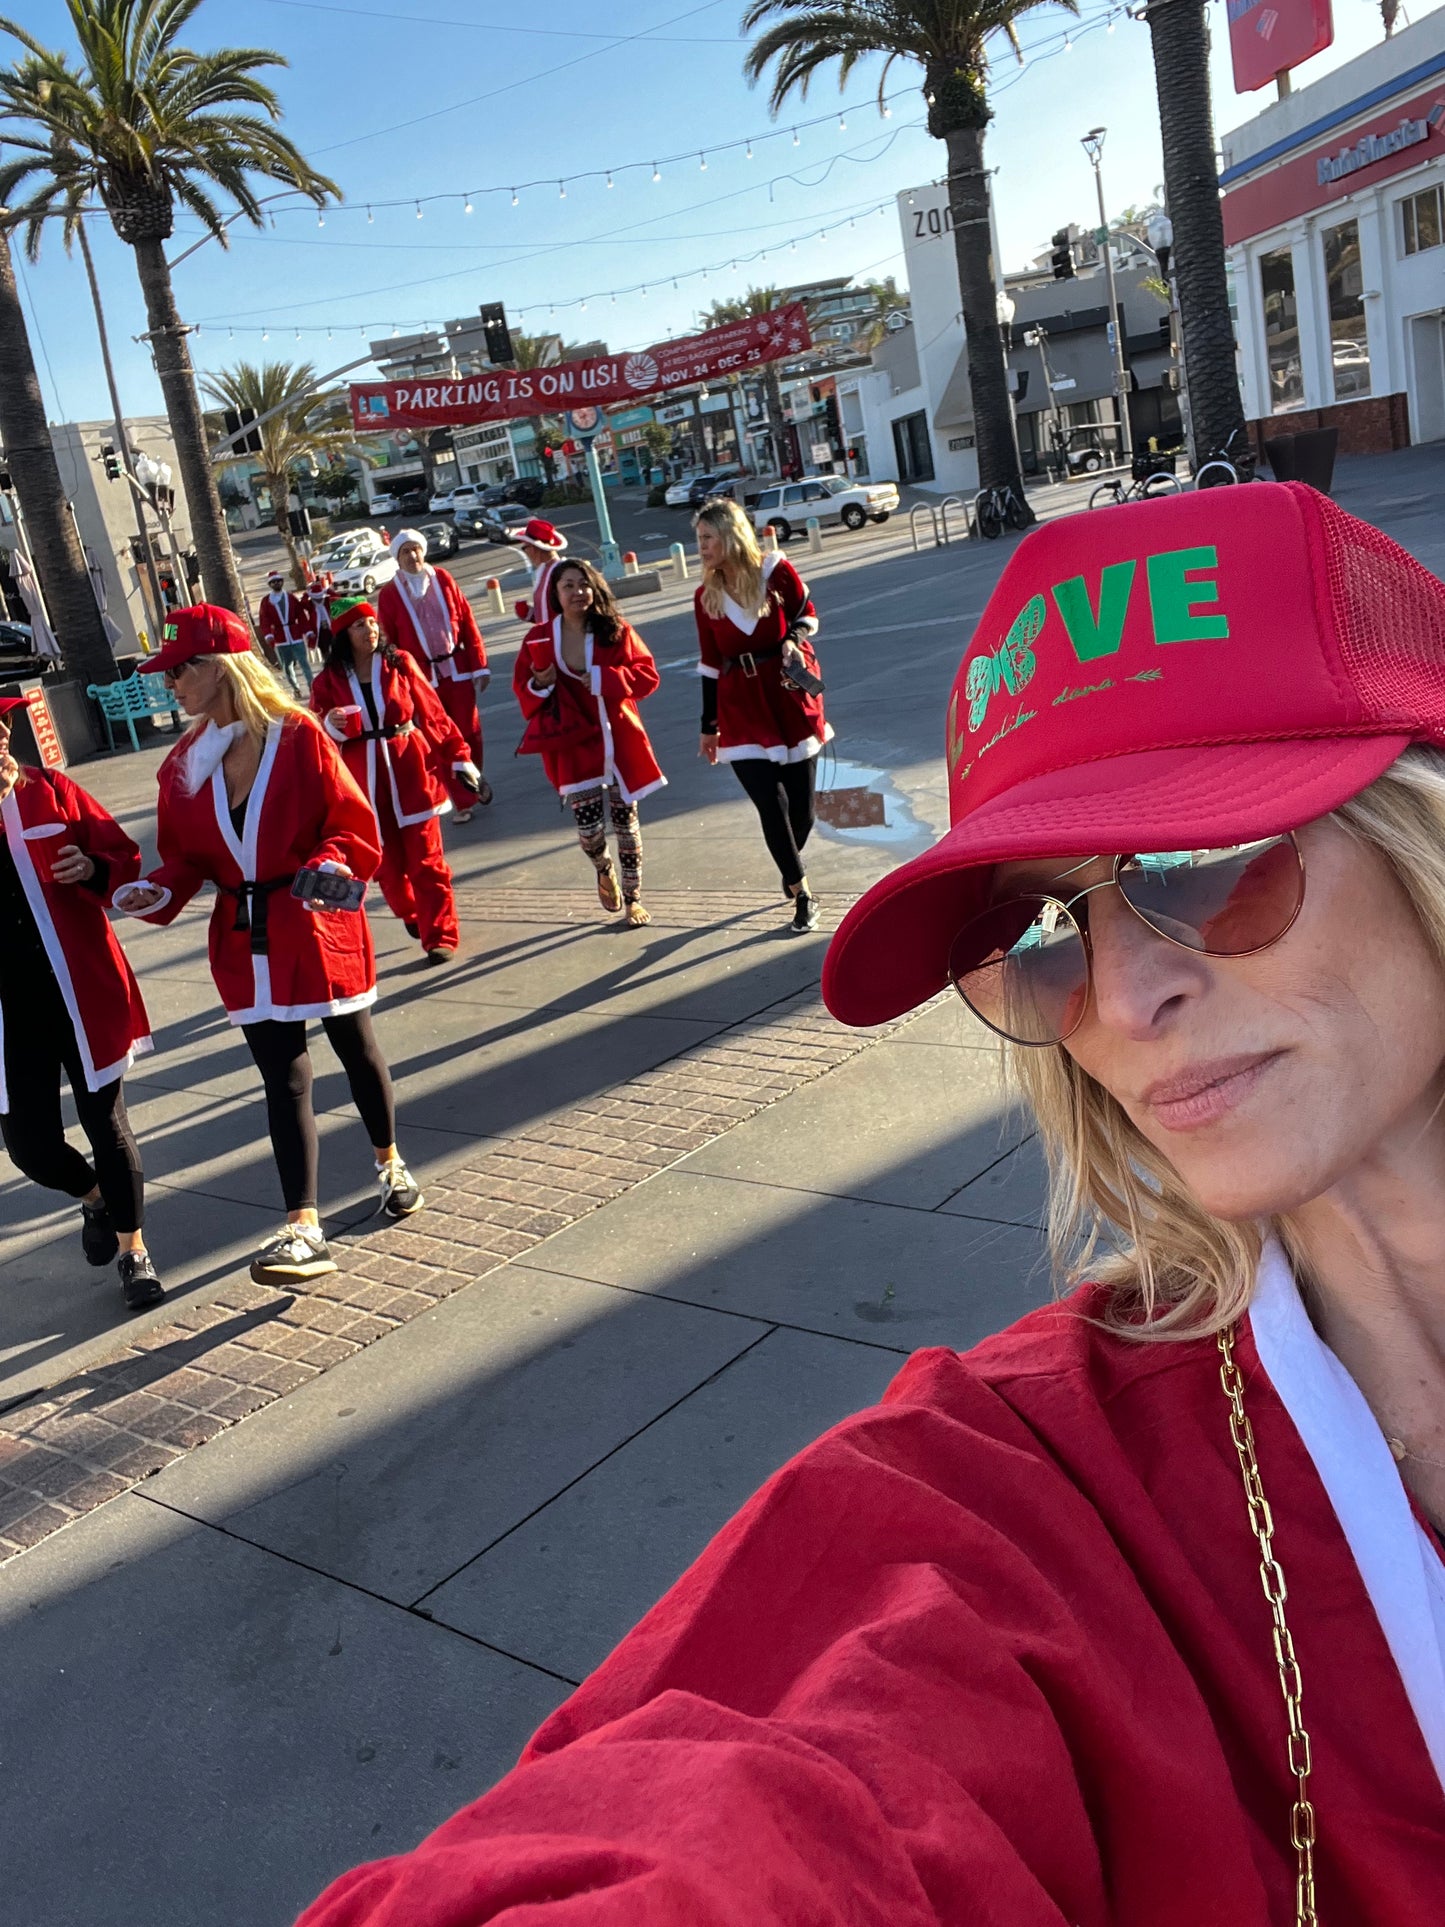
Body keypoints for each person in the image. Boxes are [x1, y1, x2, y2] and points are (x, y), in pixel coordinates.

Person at [299, 485, 1445, 1923]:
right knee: (787, 818)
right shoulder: (1028, 1476)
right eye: (1041, 925)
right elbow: (762, 1797)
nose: (1122, 997)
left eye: (1195, 864)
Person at [114, 605, 426, 1286]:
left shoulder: (300, 736)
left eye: (179, 670)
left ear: (220, 668)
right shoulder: (183, 765)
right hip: (243, 939)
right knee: (284, 1078)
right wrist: (151, 891)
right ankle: (303, 1227)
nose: (170, 685)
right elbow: (184, 860)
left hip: (314, 923)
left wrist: (333, 862)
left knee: (356, 1048)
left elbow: (350, 824)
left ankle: (389, 1161)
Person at [0, 698, 161, 1309]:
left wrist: (92, 866)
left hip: (81, 989)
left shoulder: (52, 792)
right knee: (29, 1145)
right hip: (10, 1012)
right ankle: (95, 1197)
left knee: (107, 1123)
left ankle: (134, 1251)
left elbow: (125, 857)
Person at [313, 596, 481, 963]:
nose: (370, 629)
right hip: (364, 785)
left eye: (372, 622)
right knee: (386, 869)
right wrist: (330, 724)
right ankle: (411, 913)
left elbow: (433, 713)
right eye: (360, 625)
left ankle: (441, 935)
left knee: (427, 862)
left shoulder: (399, 663)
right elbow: (316, 731)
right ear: (343, 635)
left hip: (412, 773)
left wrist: (460, 758)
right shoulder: (328, 680)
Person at [693, 496, 830, 935]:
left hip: (787, 698)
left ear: (730, 536)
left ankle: (788, 865)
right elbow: (709, 663)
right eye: (699, 539)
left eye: (708, 538)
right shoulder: (705, 596)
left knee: (802, 812)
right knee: (771, 805)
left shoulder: (776, 572)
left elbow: (808, 615)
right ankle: (802, 891)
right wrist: (708, 727)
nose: (701, 547)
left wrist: (792, 638)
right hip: (739, 707)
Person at [513, 558, 664, 928]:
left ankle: (633, 898)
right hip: (573, 746)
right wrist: (540, 683)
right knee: (590, 832)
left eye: (584, 584)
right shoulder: (539, 639)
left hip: (619, 741)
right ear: (555, 593)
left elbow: (647, 677)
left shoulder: (616, 630)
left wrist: (604, 678)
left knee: (627, 827)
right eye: (568, 585)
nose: (578, 592)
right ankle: (603, 866)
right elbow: (522, 691)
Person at [377, 528, 492, 820]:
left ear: (423, 551)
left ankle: (474, 775)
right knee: (441, 738)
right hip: (423, 679)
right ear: (398, 558)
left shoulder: (443, 578)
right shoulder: (390, 594)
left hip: (457, 670)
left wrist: (480, 665)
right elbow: (389, 641)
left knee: (470, 732)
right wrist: (397, 684)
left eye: (415, 549)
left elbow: (467, 620)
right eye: (405, 552)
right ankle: (463, 800)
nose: (412, 556)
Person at [257, 568, 320, 696]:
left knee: (304, 662)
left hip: (295, 636)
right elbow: (264, 620)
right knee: (287, 666)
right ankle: (296, 688)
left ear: (282, 582)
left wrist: (307, 631)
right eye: (273, 582)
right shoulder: (266, 601)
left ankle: (311, 687)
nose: (276, 583)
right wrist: (268, 634)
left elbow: (301, 615)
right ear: (270, 584)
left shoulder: (290, 598)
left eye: (278, 581)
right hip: (280, 638)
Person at [508, 516, 568, 625]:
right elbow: (546, 614)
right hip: (550, 634)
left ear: (533, 548)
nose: (526, 552)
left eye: (524, 548)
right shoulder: (545, 571)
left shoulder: (561, 572)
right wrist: (529, 613)